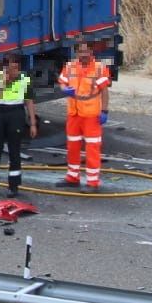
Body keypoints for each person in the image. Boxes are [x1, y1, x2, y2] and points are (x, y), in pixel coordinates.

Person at [0, 53, 37, 196]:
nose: (13, 71)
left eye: (16, 67)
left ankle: (13, 185)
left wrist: (33, 123)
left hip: (16, 114)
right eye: (11, 67)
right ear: (5, 68)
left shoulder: (24, 80)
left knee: (14, 150)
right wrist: (4, 84)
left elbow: (29, 102)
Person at [57, 40, 111, 190]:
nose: (84, 54)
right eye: (81, 52)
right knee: (72, 147)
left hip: (91, 115)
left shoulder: (99, 68)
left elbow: (104, 91)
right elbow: (62, 82)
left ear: (91, 52)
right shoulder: (70, 66)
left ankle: (93, 182)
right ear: (77, 53)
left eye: (86, 51)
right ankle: (72, 177)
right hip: (74, 114)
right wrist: (64, 88)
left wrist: (104, 111)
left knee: (92, 149)